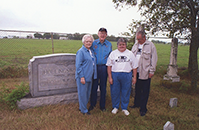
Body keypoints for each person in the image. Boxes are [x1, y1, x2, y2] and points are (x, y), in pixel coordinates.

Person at [106, 38, 138, 116]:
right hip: (115, 74)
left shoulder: (130, 54)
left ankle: (124, 108)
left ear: (125, 45)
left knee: (126, 91)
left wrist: (134, 77)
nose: (122, 46)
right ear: (117, 45)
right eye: (120, 44)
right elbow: (109, 66)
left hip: (127, 74)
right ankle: (115, 107)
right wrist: (110, 77)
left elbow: (134, 66)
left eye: (123, 44)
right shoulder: (113, 53)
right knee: (115, 91)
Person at [129, 31, 158, 116]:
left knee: (145, 90)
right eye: (137, 39)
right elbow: (131, 56)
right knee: (137, 88)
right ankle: (136, 104)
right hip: (136, 71)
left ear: (144, 37)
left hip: (145, 71)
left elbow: (154, 58)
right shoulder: (135, 45)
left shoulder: (150, 45)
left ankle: (143, 108)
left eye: (140, 39)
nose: (138, 40)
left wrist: (152, 70)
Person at [89, 28, 112, 112]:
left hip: (104, 67)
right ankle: (92, 104)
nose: (102, 35)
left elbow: (110, 57)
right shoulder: (93, 43)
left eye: (104, 33)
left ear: (106, 35)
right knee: (94, 86)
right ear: (98, 34)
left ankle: (102, 105)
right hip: (95, 67)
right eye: (101, 33)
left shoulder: (109, 44)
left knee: (103, 87)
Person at [75, 34, 97, 115]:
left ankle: (83, 107)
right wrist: (81, 77)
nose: (89, 43)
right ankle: (84, 111)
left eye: (90, 41)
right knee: (83, 94)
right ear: (83, 42)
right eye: (87, 41)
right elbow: (78, 65)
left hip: (90, 76)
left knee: (87, 93)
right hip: (83, 76)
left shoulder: (91, 51)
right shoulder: (81, 51)